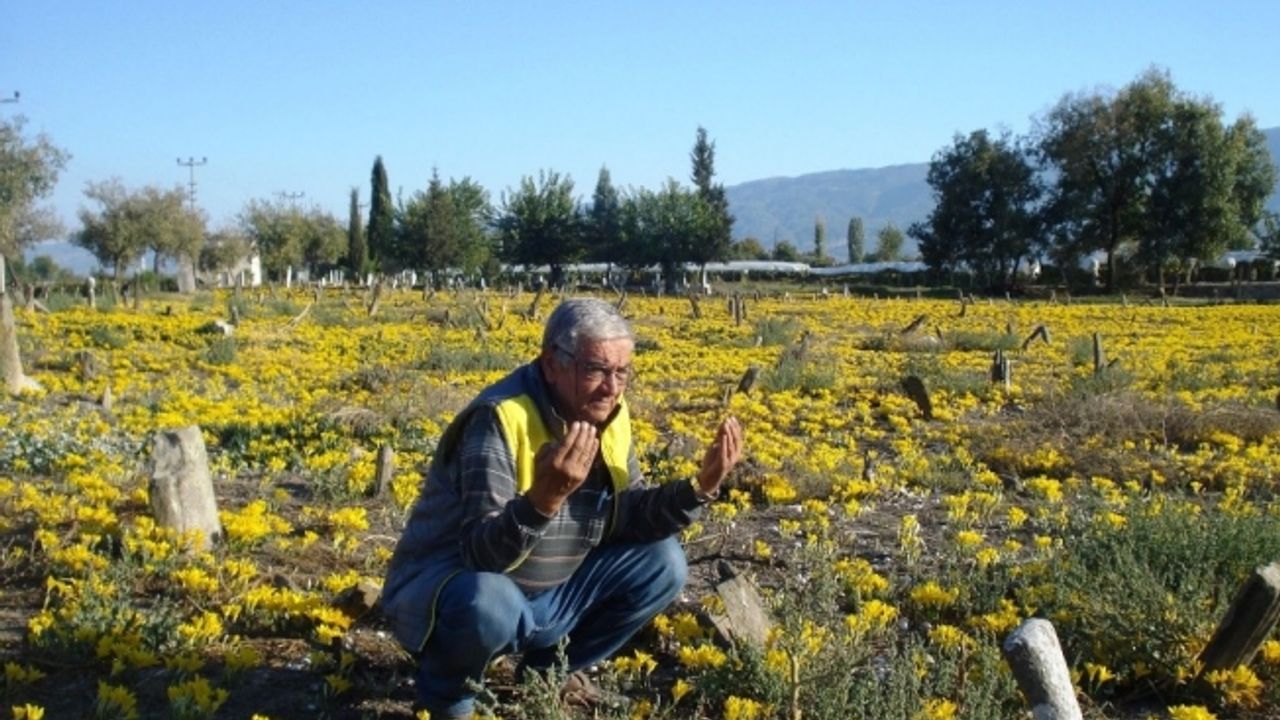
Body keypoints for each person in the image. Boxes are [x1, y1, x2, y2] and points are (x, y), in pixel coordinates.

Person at [381, 297, 744, 718]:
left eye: (622, 372)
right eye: (596, 370)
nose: (612, 387)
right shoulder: (498, 419)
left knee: (664, 562)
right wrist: (544, 500)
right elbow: (481, 555)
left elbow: (627, 516)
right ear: (552, 363)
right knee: (488, 601)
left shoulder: (609, 414)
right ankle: (447, 695)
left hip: (550, 593)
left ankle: (547, 672)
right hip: (452, 591)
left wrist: (701, 487)